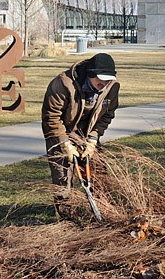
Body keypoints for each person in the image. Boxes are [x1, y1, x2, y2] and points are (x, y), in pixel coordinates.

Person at [41, 53, 120, 215]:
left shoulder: (112, 87)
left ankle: (101, 211)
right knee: (62, 176)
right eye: (100, 79)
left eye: (107, 79)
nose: (103, 83)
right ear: (90, 73)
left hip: (86, 133)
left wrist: (93, 139)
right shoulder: (63, 84)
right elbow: (51, 117)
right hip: (61, 131)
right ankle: (66, 216)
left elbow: (107, 115)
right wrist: (64, 144)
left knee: (98, 172)